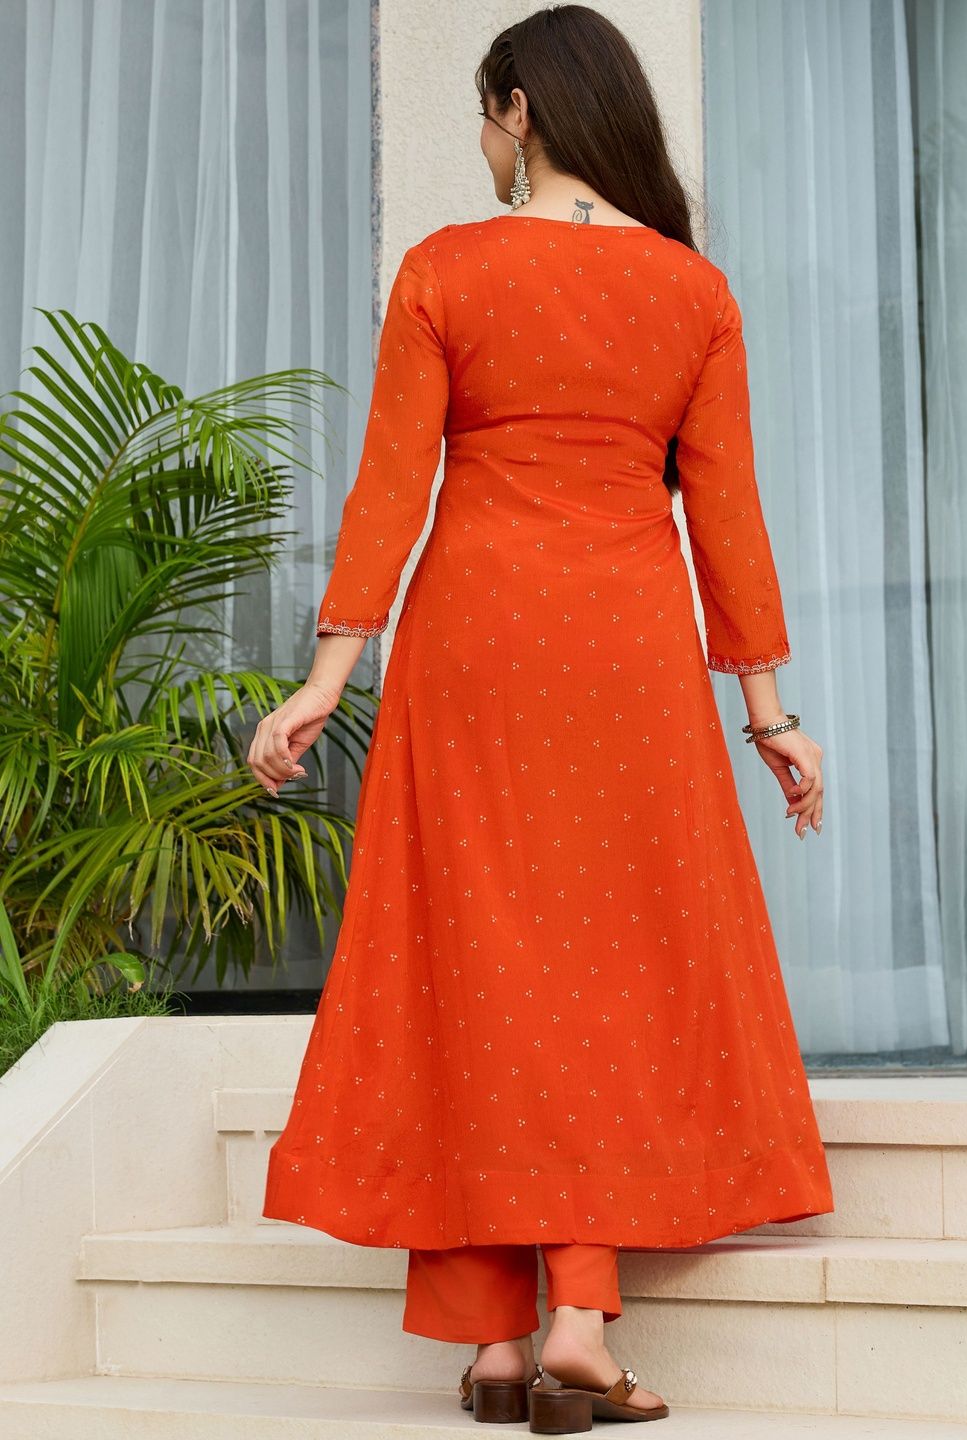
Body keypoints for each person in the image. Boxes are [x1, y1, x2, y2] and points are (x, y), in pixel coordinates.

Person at [248, 4, 831, 1427]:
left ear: (518, 111)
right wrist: (769, 716)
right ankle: (575, 1318)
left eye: (483, 114)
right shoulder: (693, 291)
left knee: (470, 953)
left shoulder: (447, 269)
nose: (483, 139)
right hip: (630, 651)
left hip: (478, 647)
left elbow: (391, 489)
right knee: (610, 962)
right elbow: (730, 519)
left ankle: (494, 1340)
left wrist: (325, 679)